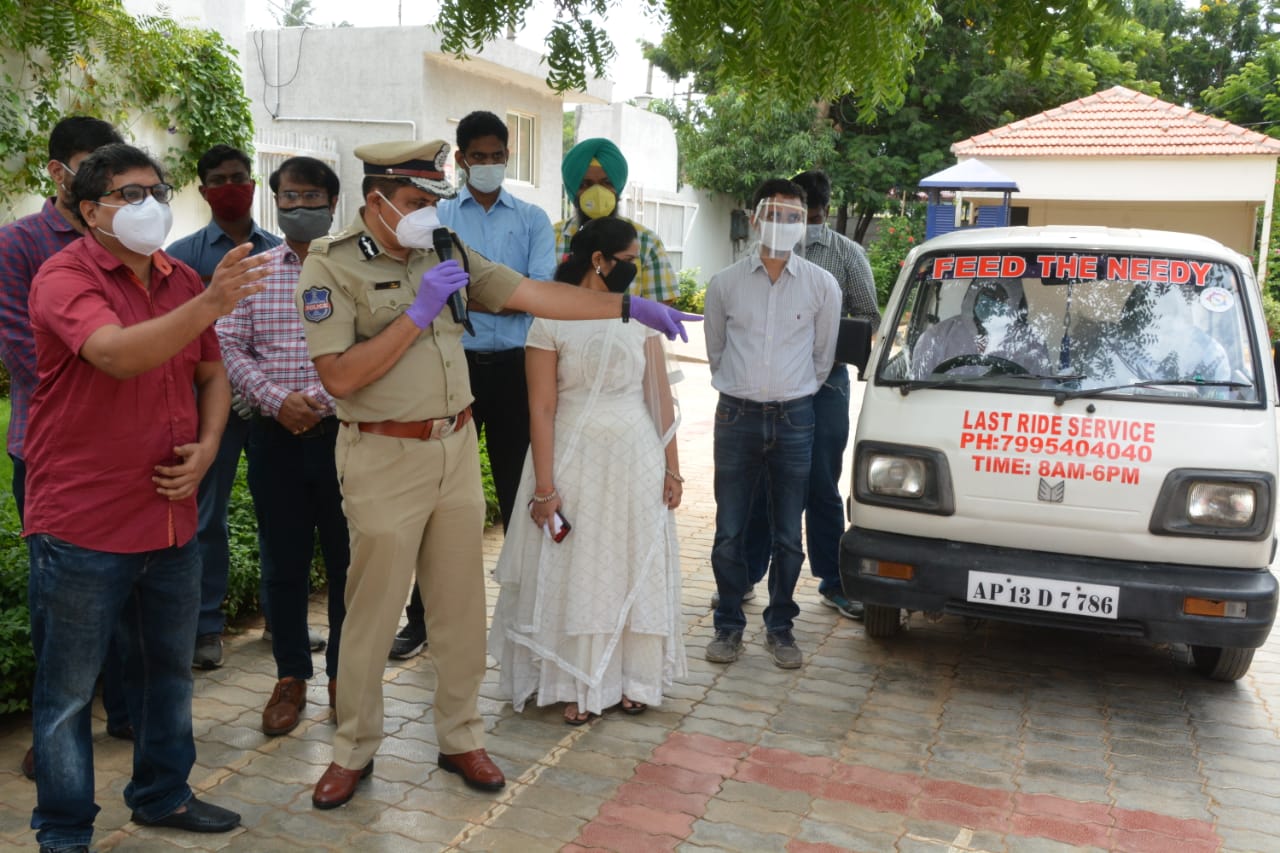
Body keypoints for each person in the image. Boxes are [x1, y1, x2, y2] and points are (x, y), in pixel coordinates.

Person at [298, 139, 697, 810]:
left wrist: (627, 309)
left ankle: (459, 736)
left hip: (455, 447)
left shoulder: (445, 250)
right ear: (378, 200)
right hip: (383, 452)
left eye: (433, 199)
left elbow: (530, 292)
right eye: (416, 201)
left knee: (459, 610)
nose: (430, 211)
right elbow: (338, 374)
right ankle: (352, 749)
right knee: (371, 612)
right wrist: (416, 314)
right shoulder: (331, 267)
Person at [24, 142, 268, 852]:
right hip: (84, 521)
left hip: (170, 514)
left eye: (157, 192)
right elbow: (117, 353)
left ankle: (162, 793)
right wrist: (213, 302)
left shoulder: (180, 276)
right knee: (69, 693)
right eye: (131, 195)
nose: (150, 206)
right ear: (90, 209)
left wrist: (209, 445)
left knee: (169, 672)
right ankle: (64, 831)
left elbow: (212, 375)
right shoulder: (64, 277)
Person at [488, 217, 686, 726]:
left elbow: (659, 397)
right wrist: (545, 488)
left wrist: (674, 469)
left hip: (636, 456)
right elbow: (542, 408)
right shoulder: (549, 318)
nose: (635, 269)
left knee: (625, 561)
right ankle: (574, 683)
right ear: (599, 260)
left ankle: (631, 679)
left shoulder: (640, 316)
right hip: (572, 456)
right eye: (628, 259)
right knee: (578, 566)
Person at [387, 110, 557, 661]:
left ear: (509, 157)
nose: (487, 164)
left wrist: (469, 294)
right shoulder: (434, 218)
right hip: (450, 369)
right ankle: (422, 620)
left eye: (497, 155)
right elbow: (429, 286)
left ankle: (526, 617)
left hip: (513, 369)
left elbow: (535, 290)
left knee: (517, 493)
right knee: (437, 498)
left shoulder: (531, 219)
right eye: (477, 156)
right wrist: (495, 293)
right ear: (460, 159)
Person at [0, 116, 131, 783]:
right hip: (53, 453)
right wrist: (121, 369)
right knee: (61, 598)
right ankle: (58, 731)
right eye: (88, 165)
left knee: (136, 587)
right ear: (59, 172)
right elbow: (28, 355)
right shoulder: (21, 245)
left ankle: (128, 708)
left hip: (135, 453)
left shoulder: (135, 245)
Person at [215, 156, 349, 737]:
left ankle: (347, 674)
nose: (298, 207)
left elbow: (375, 345)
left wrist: (316, 399)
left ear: (332, 203)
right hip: (274, 439)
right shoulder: (255, 272)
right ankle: (291, 675)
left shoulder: (359, 272)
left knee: (350, 564)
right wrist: (277, 401)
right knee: (283, 564)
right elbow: (228, 344)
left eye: (310, 195)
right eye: (288, 197)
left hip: (345, 437)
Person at [703, 178, 841, 670]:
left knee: (788, 532)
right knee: (729, 529)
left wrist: (788, 389)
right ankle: (727, 624)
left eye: (792, 216)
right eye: (773, 214)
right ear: (756, 217)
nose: (782, 224)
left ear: (803, 223)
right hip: (735, 415)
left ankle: (780, 626)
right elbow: (716, 349)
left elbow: (822, 360)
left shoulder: (823, 286)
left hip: (795, 417)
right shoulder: (725, 284)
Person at [737, 169, 880, 621]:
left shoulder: (847, 254)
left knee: (821, 483)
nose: (800, 222)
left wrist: (825, 339)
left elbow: (869, 318)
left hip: (825, 386)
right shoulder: (762, 251)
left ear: (817, 211)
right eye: (785, 213)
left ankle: (834, 582)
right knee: (761, 481)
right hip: (767, 386)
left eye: (804, 214)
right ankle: (745, 575)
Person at [166, 144, 283, 670]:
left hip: (269, 403)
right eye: (219, 179)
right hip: (207, 405)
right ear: (203, 188)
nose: (231, 186)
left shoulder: (283, 252)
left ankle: (281, 619)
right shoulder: (184, 257)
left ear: (253, 184)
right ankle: (206, 627)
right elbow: (175, 337)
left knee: (279, 515)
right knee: (206, 518)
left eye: (239, 176)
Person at [553, 137, 676, 303]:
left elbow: (661, 308)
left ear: (617, 188)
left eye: (606, 183)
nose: (597, 192)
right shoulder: (551, 238)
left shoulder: (646, 243)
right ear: (573, 191)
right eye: (585, 184)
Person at [912, 278, 1051, 377]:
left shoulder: (1030, 342)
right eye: (988, 294)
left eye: (1000, 297)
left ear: (1013, 303)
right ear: (974, 296)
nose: (992, 302)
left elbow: (1043, 386)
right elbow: (917, 387)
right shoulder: (938, 336)